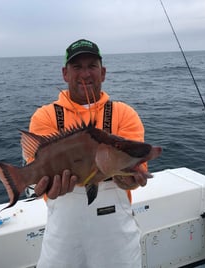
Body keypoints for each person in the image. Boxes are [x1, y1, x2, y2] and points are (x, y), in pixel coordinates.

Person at [28, 39, 149, 268]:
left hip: (115, 233)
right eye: (77, 67)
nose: (85, 74)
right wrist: (45, 188)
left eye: (92, 66)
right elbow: (37, 169)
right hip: (63, 230)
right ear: (65, 73)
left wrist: (131, 179)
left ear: (103, 73)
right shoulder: (45, 117)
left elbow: (137, 168)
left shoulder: (124, 114)